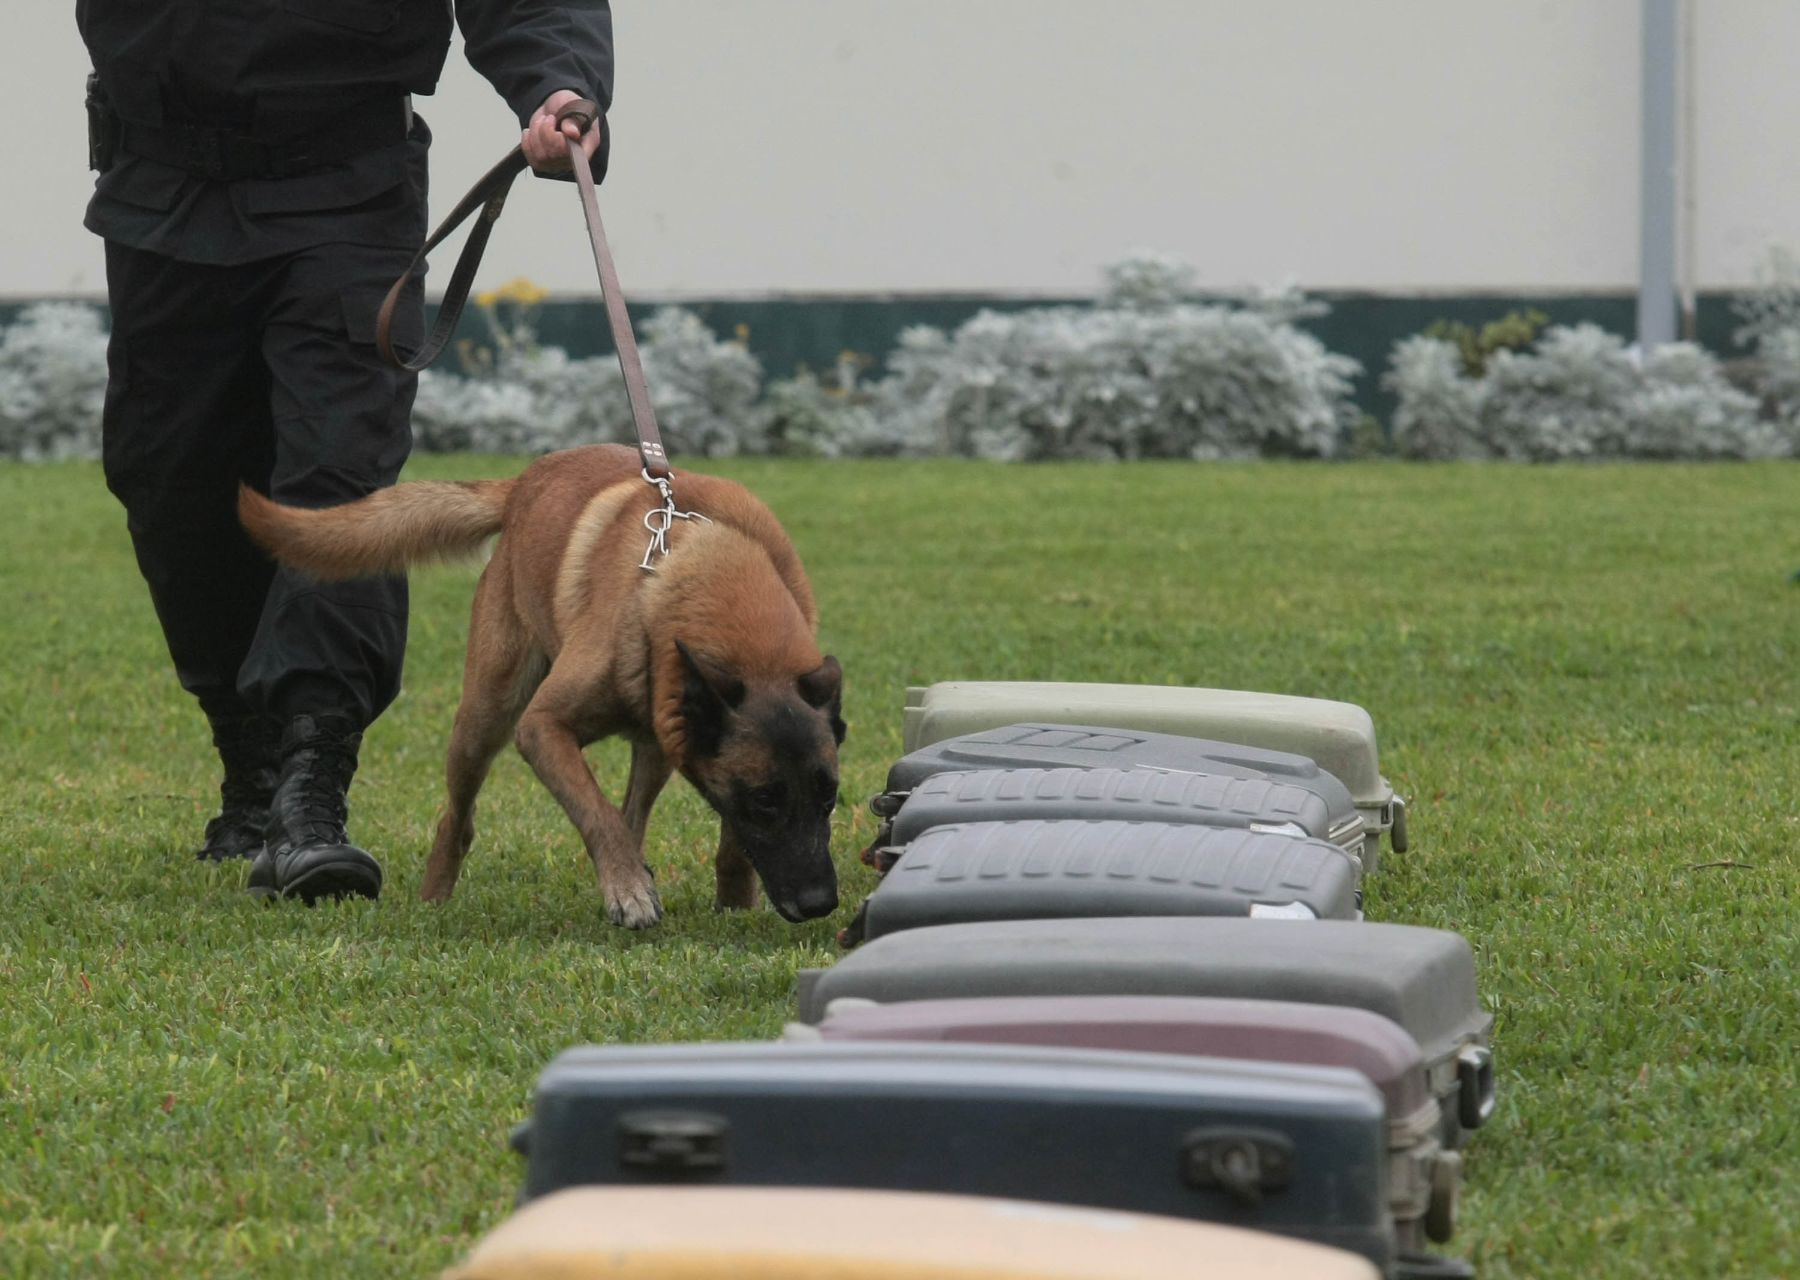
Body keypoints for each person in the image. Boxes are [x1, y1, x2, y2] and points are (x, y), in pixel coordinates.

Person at [76, 1, 614, 902]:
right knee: (171, 482)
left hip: (346, 187)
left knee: (339, 479)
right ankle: (248, 765)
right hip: (159, 182)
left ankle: (311, 788)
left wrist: (559, 81)